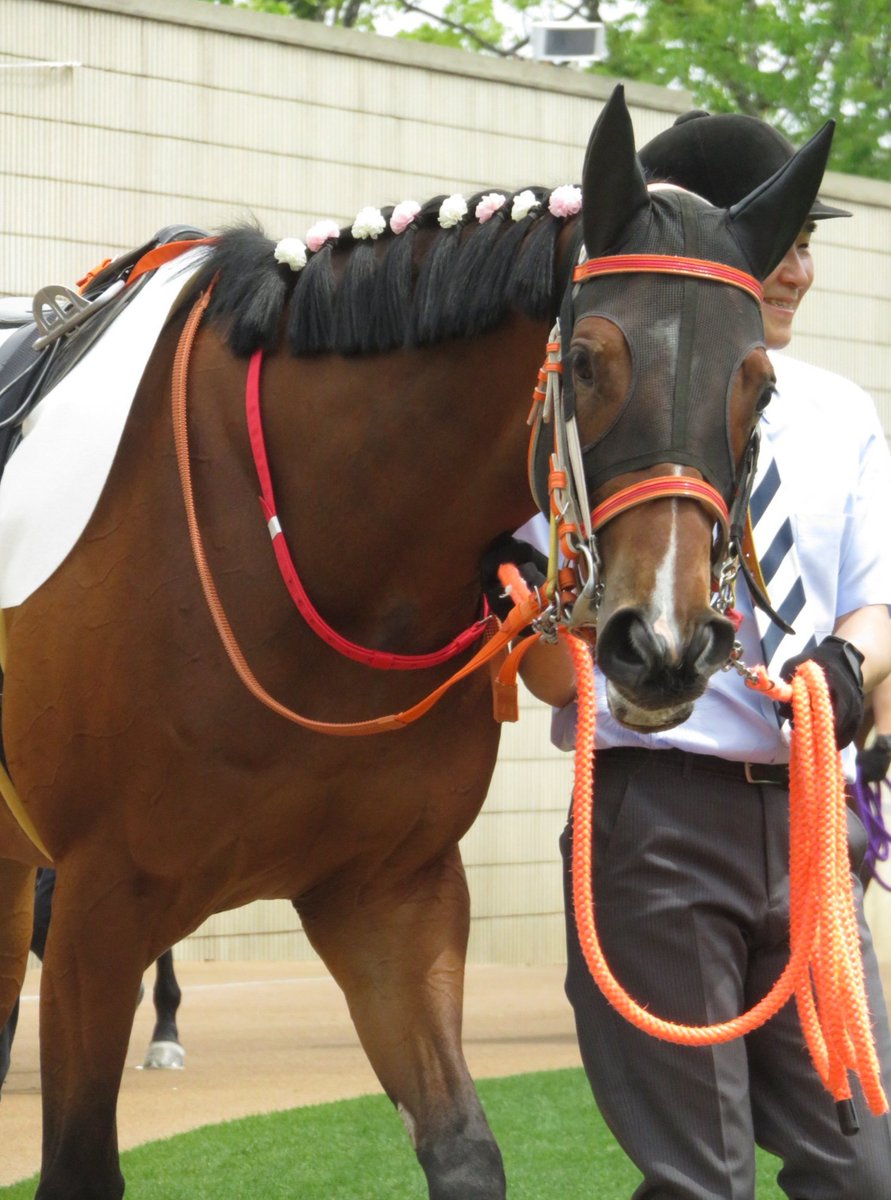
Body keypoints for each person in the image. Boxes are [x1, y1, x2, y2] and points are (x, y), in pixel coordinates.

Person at [500, 112, 891, 1199]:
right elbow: (536, 661)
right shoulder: (589, 397)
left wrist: (853, 671)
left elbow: (879, 606)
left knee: (863, 1172)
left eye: (807, 238)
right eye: (781, 239)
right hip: (651, 820)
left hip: (809, 832)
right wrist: (548, 621)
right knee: (701, 1181)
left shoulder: (844, 414)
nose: (798, 269)